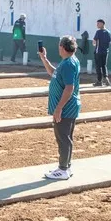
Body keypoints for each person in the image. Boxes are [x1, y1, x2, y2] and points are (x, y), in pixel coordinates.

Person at [39, 35, 81, 180]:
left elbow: (69, 88)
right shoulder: (68, 62)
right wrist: (44, 59)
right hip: (68, 107)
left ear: (62, 47)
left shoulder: (68, 64)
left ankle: (63, 169)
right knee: (66, 137)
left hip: (66, 108)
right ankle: (66, 167)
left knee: (63, 138)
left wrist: (59, 108)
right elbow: (53, 73)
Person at [92, 19, 111, 86]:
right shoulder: (108, 32)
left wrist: (95, 45)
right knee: (104, 65)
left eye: (98, 23)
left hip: (98, 52)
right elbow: (109, 42)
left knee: (98, 66)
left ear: (102, 24)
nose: (97, 25)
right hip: (105, 51)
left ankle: (99, 81)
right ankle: (106, 78)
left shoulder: (98, 32)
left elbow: (94, 42)